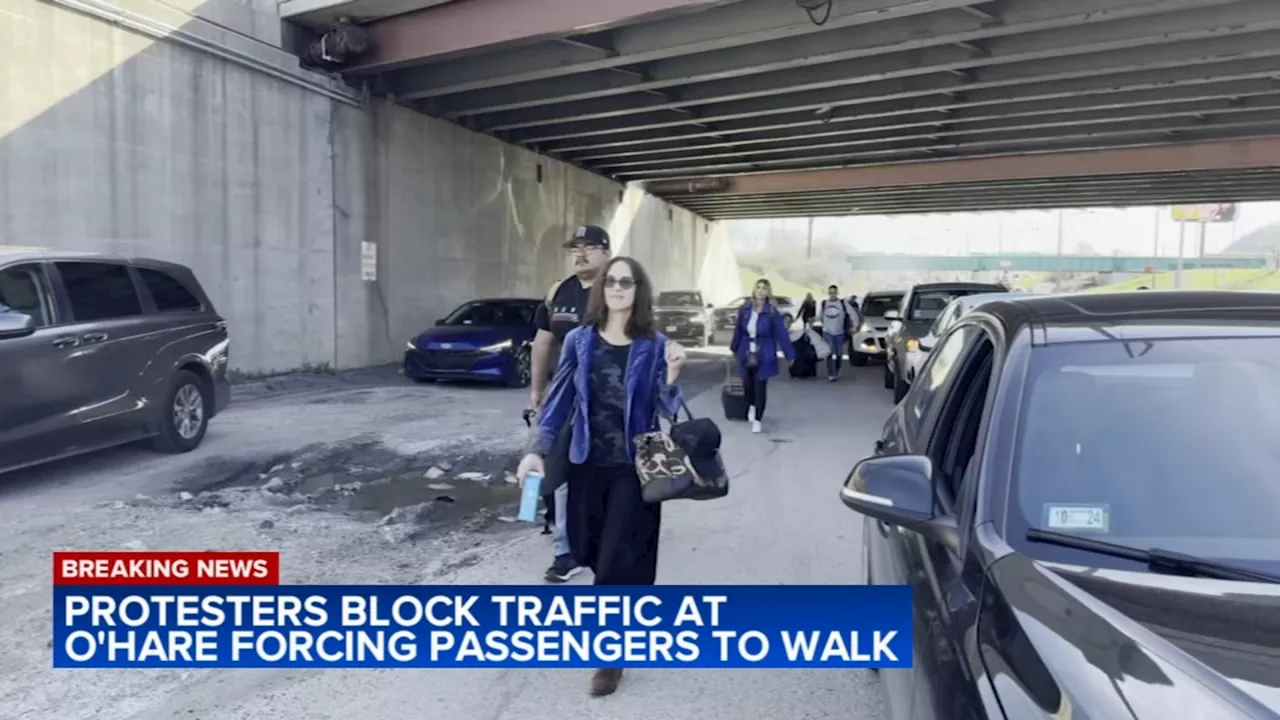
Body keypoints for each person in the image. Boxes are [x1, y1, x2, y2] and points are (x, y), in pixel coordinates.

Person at [517, 256, 687, 697]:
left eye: (625, 282)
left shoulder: (653, 343)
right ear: (601, 290)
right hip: (587, 464)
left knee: (614, 565)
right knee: (588, 550)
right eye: (610, 282)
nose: (616, 288)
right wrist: (537, 450)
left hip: (635, 470)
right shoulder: (579, 340)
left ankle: (609, 659)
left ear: (638, 290)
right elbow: (558, 402)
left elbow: (668, 409)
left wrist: (672, 373)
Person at [529, 224, 612, 583]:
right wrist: (537, 392)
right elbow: (543, 343)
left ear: (607, 252)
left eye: (590, 246)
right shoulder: (558, 291)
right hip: (566, 401)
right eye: (575, 248)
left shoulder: (618, 288)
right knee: (558, 471)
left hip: (610, 401)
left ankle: (605, 534)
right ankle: (566, 550)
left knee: (608, 474)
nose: (580, 254)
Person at [730, 278, 796, 434]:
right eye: (758, 287)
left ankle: (758, 419)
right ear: (754, 290)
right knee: (747, 384)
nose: (760, 290)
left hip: (764, 351)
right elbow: (738, 330)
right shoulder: (745, 309)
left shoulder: (772, 312)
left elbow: (781, 334)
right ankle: (751, 406)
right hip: (746, 349)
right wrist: (734, 348)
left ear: (768, 292)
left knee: (760, 385)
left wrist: (790, 354)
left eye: (764, 288)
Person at [820, 285, 859, 382]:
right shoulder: (824, 303)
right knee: (829, 353)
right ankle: (831, 374)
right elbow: (820, 316)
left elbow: (853, 314)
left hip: (839, 332)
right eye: (830, 293)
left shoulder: (843, 303)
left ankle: (836, 371)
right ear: (828, 293)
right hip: (827, 332)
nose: (832, 295)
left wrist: (855, 325)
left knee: (838, 354)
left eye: (834, 292)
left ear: (837, 293)